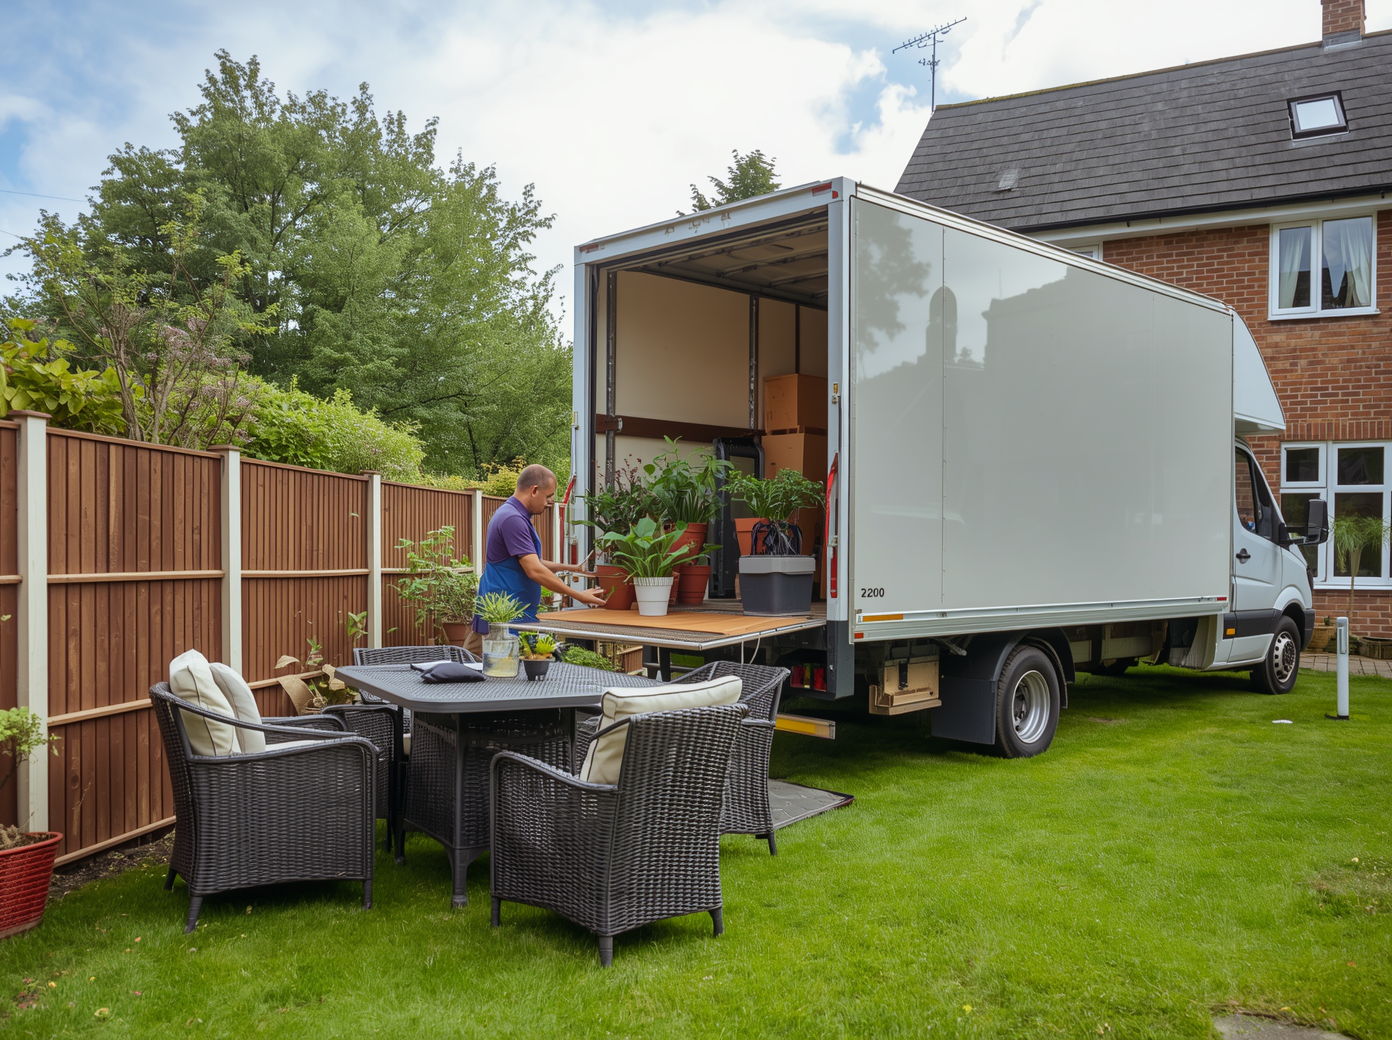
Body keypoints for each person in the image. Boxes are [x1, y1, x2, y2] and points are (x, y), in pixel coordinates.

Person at [464, 464, 606, 657]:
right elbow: (534, 571)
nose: (549, 503)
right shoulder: (512, 519)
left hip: (513, 614)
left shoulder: (516, 516)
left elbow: (533, 562)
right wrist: (579, 596)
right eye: (548, 497)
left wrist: (575, 568)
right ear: (534, 490)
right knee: (487, 675)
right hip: (503, 618)